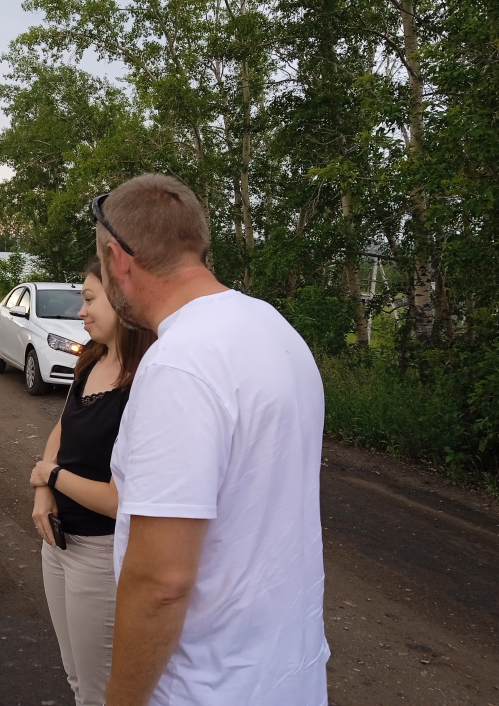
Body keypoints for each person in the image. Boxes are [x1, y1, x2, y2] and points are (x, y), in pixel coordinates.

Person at [94, 175, 330, 706]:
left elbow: (161, 582)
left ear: (117, 258)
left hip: (206, 687)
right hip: (287, 677)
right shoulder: (273, 328)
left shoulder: (180, 363)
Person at [29, 259, 156, 706]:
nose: (80, 311)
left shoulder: (146, 382)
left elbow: (121, 502)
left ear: (122, 301)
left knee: (99, 691)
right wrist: (43, 491)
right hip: (58, 543)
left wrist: (51, 475)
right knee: (75, 677)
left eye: (88, 299)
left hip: (100, 555)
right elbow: (62, 428)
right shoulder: (91, 357)